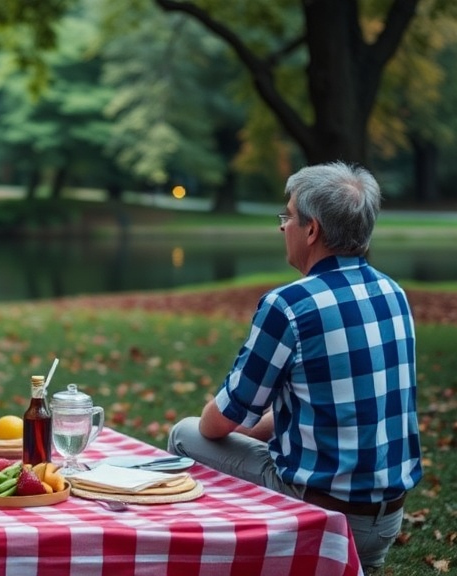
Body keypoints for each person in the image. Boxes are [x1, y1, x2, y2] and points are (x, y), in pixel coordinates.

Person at [167, 162, 421, 572]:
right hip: (386, 520)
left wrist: (237, 424)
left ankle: (210, 558)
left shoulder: (290, 306)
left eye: (287, 217)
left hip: (324, 520)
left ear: (312, 230)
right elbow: (336, 407)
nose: (282, 227)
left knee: (184, 435)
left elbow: (217, 424)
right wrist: (262, 426)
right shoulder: (393, 293)